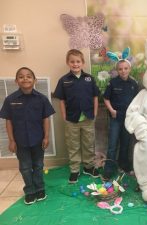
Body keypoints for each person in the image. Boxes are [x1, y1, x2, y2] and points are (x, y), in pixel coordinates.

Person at [0, 67, 55, 205]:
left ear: (34, 80)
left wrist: (46, 137)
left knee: (38, 165)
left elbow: (46, 119)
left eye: (29, 76)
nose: (25, 78)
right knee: (25, 167)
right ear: (16, 81)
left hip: (38, 140)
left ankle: (40, 188)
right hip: (20, 142)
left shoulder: (42, 99)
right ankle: (30, 191)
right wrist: (11, 140)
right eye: (21, 76)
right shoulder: (10, 100)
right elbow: (9, 121)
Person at [54, 49, 100, 184]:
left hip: (88, 118)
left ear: (83, 63)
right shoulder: (64, 80)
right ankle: (74, 170)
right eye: (72, 62)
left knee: (88, 144)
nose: (75, 64)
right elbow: (61, 100)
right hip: (71, 119)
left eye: (78, 61)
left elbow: (95, 97)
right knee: (73, 145)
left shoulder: (89, 79)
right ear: (68, 63)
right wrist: (64, 116)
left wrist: (95, 113)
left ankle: (88, 166)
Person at [103, 59, 139, 179]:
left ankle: (123, 166)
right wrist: (112, 110)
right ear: (117, 70)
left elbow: (137, 101)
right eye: (120, 69)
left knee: (125, 143)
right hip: (115, 117)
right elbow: (106, 99)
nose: (123, 71)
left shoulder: (134, 84)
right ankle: (108, 170)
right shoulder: (112, 83)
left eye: (125, 68)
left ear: (129, 69)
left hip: (128, 118)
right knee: (112, 144)